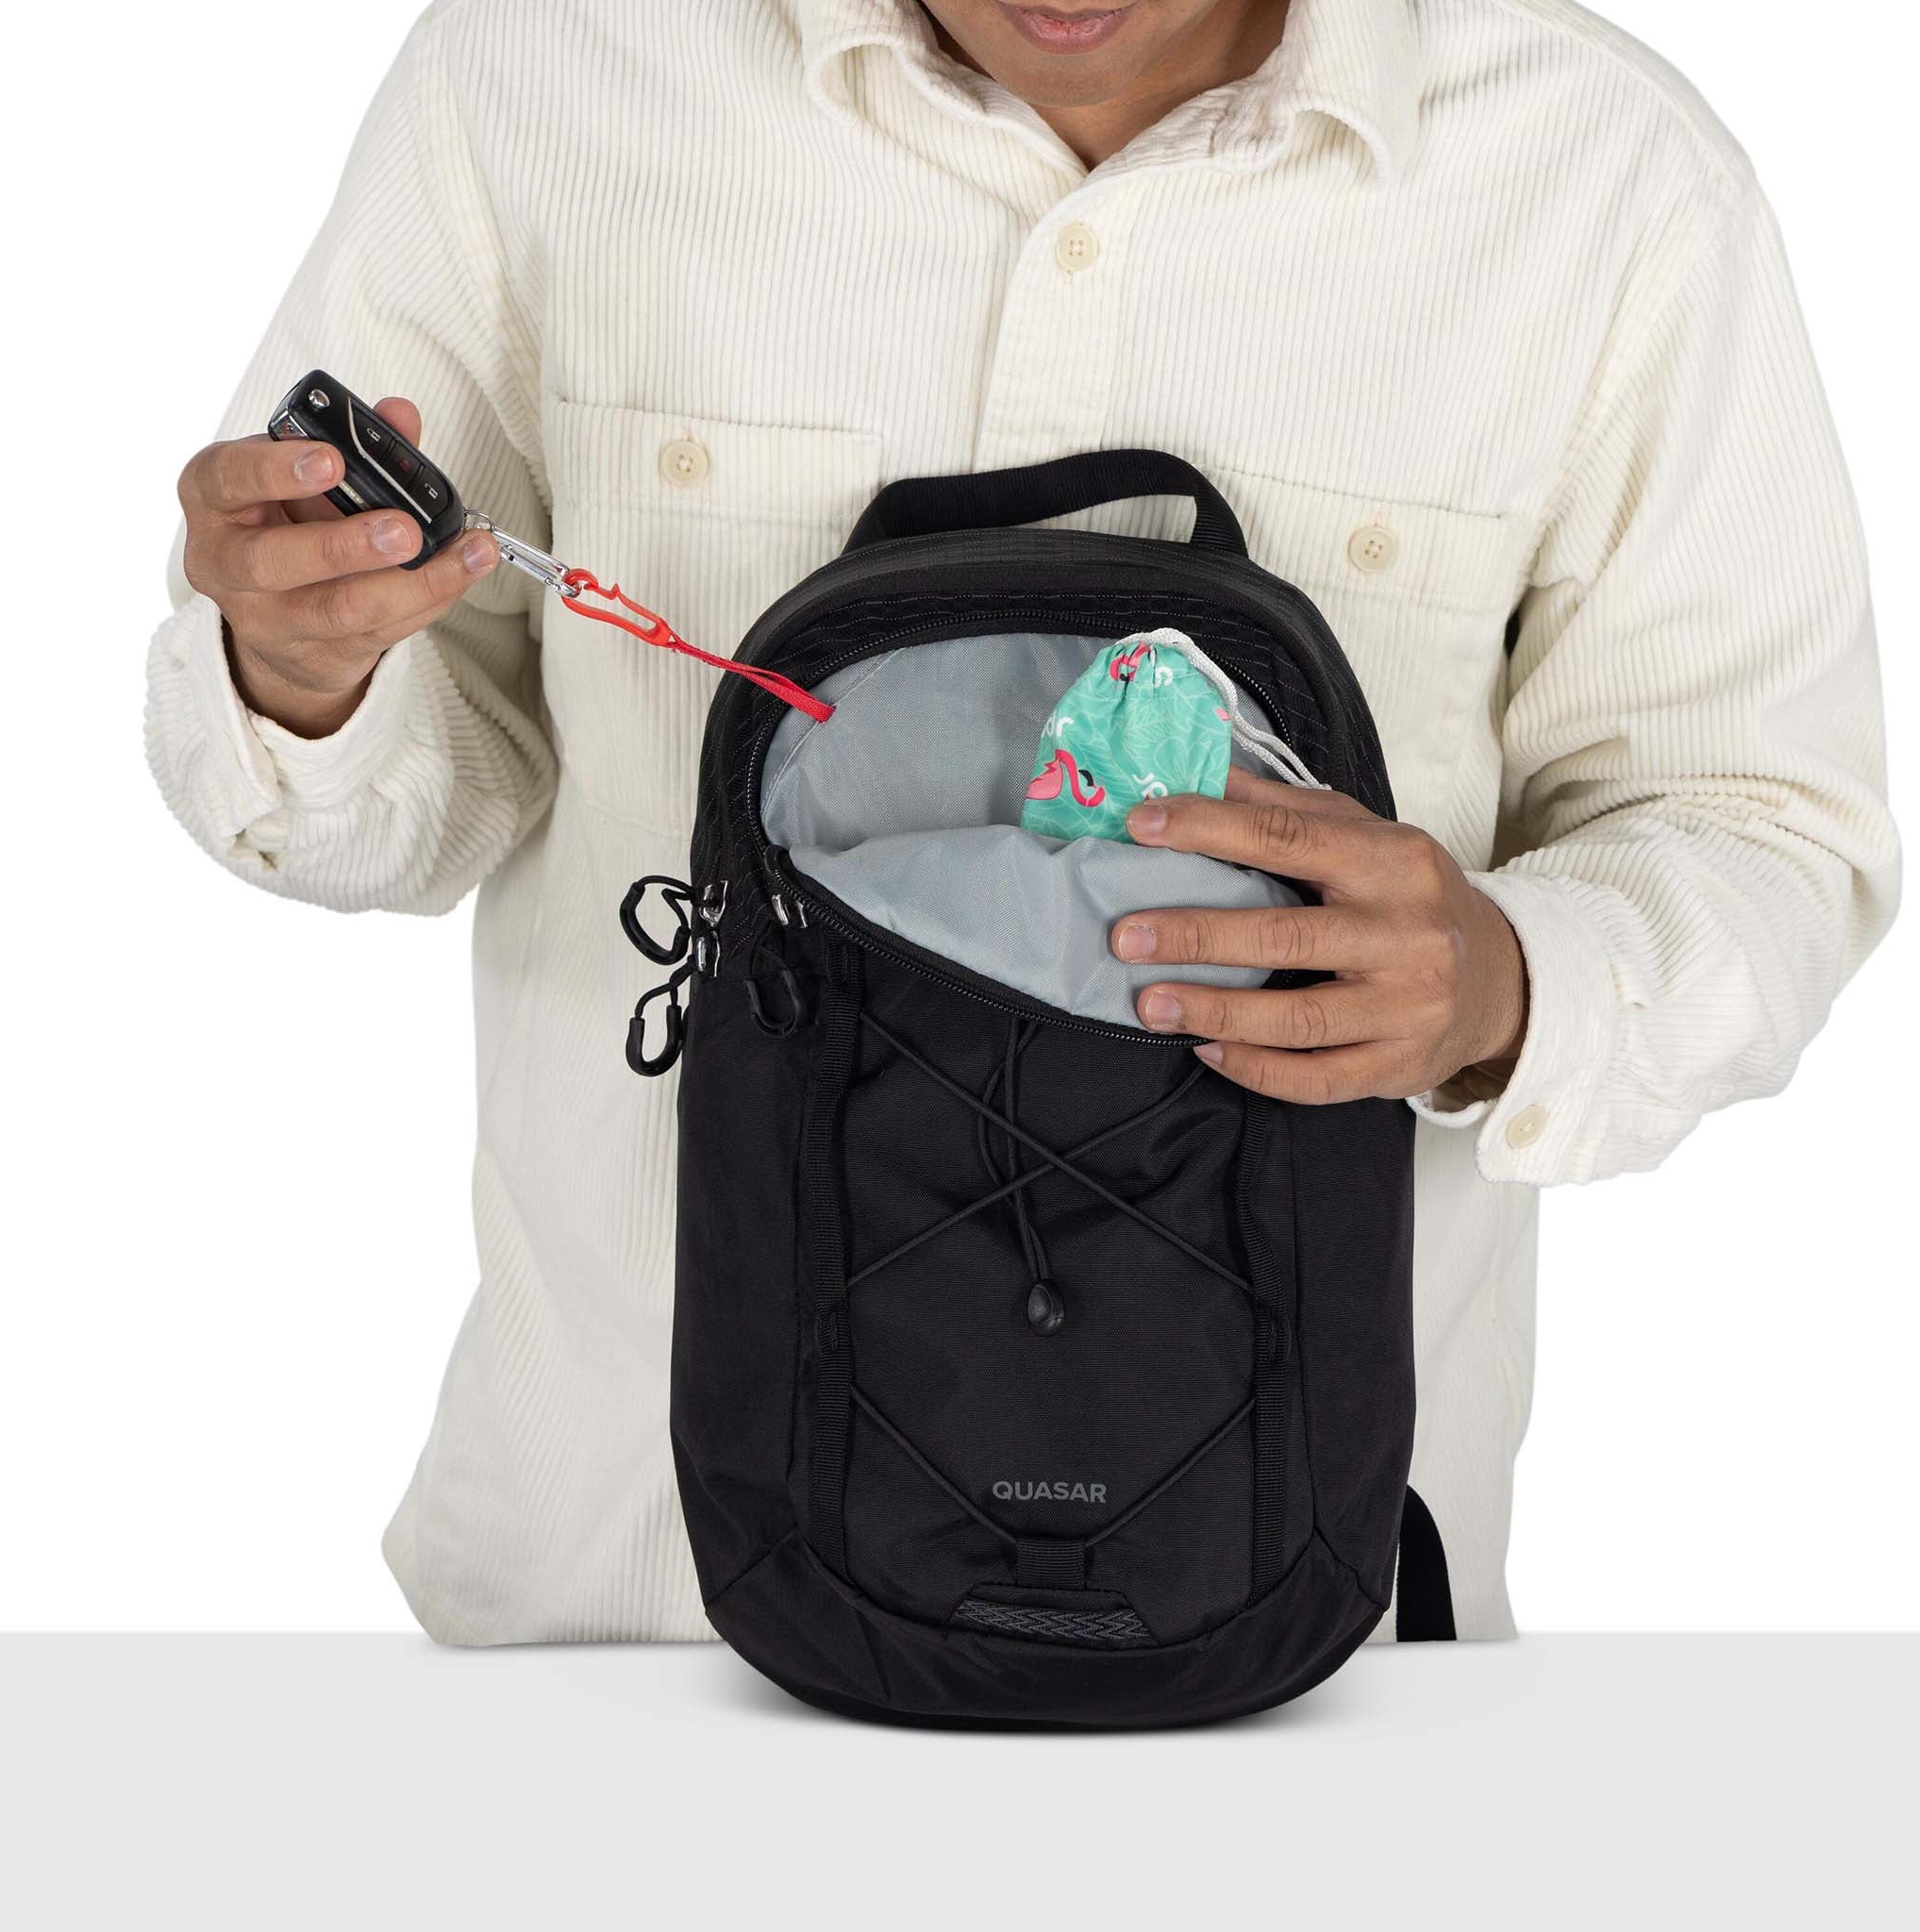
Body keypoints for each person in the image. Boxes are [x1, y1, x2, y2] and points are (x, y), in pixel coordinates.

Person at [148, 0, 1897, 1643]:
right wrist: (298, 672)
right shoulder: (543, 77)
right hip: (623, 1619)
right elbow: (392, 813)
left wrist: (1505, 983)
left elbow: (1770, 829)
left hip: (1303, 1652)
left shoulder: (1607, 180)